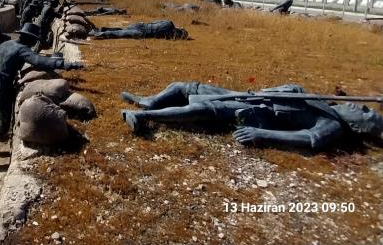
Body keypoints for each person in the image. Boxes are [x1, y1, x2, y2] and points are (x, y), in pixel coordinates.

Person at [0, 23, 85, 177]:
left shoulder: (6, 43)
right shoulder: (22, 49)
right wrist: (65, 64)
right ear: (29, 39)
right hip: (2, 87)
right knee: (2, 126)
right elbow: (39, 61)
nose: (34, 43)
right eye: (33, 40)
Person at [120, 82, 383, 151]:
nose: (360, 107)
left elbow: (305, 138)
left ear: (358, 128)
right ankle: (148, 102)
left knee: (200, 110)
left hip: (256, 114)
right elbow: (288, 90)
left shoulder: (331, 126)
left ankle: (144, 117)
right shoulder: (324, 102)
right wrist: (290, 89)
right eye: (365, 106)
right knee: (185, 85)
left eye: (365, 113)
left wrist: (260, 134)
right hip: (250, 95)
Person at [88, 20, 189, 40]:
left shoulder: (168, 22)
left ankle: (103, 29)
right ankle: (98, 34)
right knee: (120, 34)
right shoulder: (169, 32)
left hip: (140, 25)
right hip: (142, 32)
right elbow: (168, 37)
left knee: (122, 30)